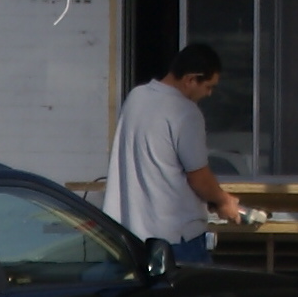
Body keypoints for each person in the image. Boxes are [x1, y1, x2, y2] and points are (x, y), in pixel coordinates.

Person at [101, 43, 245, 264]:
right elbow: (198, 177)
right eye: (208, 86)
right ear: (190, 79)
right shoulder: (186, 113)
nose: (209, 94)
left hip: (132, 235)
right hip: (176, 238)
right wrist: (224, 201)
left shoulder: (136, 97)